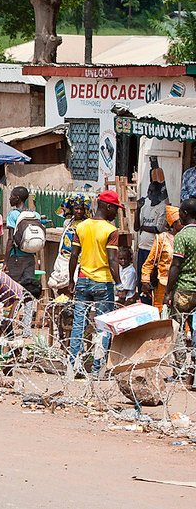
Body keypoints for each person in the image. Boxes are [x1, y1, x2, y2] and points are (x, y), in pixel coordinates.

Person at [67, 189, 122, 377]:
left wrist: (71, 281)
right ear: (107, 207)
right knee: (102, 326)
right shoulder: (111, 230)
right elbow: (113, 260)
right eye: (115, 208)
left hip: (82, 279)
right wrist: (119, 284)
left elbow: (73, 256)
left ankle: (72, 365)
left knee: (78, 323)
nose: (116, 212)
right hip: (103, 282)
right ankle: (98, 369)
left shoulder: (81, 227)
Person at [165, 198, 196, 373]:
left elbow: (176, 265)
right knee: (194, 328)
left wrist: (168, 291)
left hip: (183, 289)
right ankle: (194, 368)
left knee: (178, 327)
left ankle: (180, 368)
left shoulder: (182, 236)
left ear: (184, 214)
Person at [4, 186, 40, 334]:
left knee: (12, 291)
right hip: (30, 257)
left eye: (12, 196)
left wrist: (6, 261)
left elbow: (11, 239)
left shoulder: (13, 214)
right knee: (29, 291)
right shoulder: (35, 214)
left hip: (16, 257)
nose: (10, 198)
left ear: (17, 198)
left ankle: (9, 325)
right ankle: (26, 328)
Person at [49, 193, 90, 294]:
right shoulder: (67, 223)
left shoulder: (87, 224)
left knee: (75, 285)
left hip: (79, 259)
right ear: (71, 210)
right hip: (63, 258)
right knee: (58, 283)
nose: (79, 211)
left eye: (81, 209)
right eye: (76, 208)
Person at [134, 160, 169, 281]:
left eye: (152, 191)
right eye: (148, 191)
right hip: (142, 247)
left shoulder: (162, 208)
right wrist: (138, 209)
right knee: (140, 277)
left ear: (158, 192)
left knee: (150, 279)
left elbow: (157, 229)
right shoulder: (145, 207)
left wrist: (143, 227)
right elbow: (136, 227)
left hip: (153, 249)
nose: (149, 194)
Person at [140, 205, 180, 310]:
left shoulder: (187, 238)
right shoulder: (162, 238)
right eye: (180, 221)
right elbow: (149, 262)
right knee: (161, 315)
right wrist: (145, 281)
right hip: (162, 285)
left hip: (181, 285)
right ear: (173, 223)